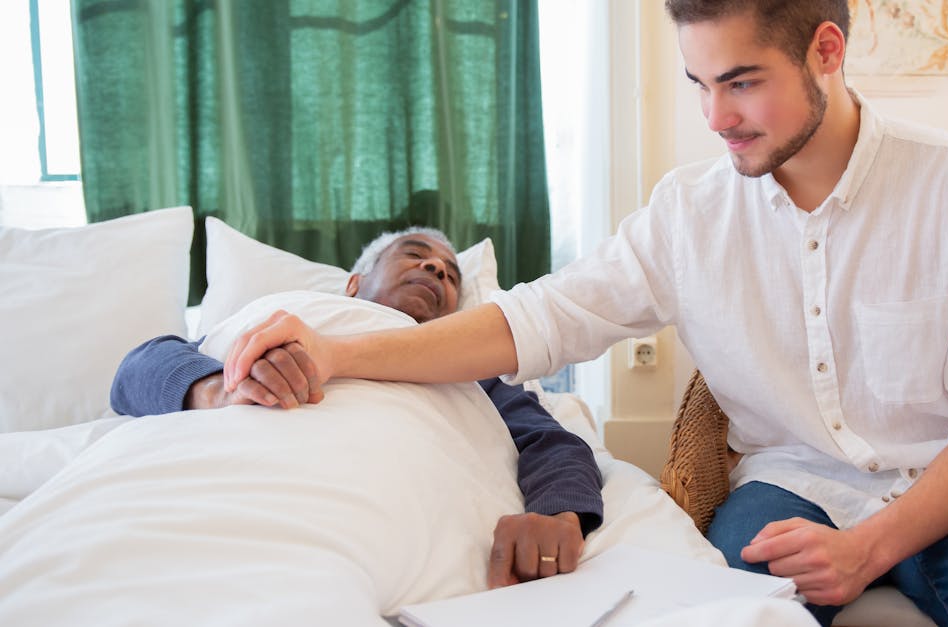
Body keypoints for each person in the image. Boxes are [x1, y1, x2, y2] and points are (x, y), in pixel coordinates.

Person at [220, 1, 948, 624]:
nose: (716, 117)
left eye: (743, 83)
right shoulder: (689, 215)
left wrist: (872, 546)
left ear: (827, 51)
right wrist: (340, 352)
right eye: (699, 83)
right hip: (792, 492)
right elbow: (536, 320)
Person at [109, 226, 603, 590]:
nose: (435, 269)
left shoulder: (474, 371)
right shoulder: (285, 315)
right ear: (352, 284)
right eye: (416, 255)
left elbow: (551, 441)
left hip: (377, 508)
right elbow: (136, 371)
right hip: (225, 479)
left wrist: (558, 514)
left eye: (451, 274)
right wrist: (218, 388)